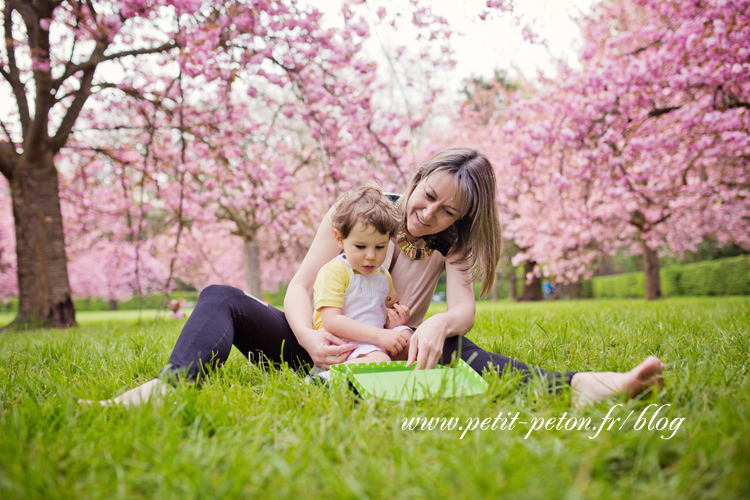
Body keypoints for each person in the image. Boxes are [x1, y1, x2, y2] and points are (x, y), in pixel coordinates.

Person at [85, 147, 664, 407]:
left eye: (447, 212)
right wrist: (310, 339)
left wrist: (437, 324)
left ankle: (583, 385)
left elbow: (462, 308)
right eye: (428, 196)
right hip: (313, 340)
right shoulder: (362, 213)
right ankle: (170, 387)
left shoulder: (451, 242)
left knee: (460, 346)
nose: (428, 215)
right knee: (221, 297)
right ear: (416, 178)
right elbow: (299, 287)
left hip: (380, 349)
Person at [312, 182, 412, 370]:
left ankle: (401, 374)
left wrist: (394, 321)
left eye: (380, 247)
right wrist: (378, 336)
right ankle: (325, 379)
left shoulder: (383, 274)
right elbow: (331, 321)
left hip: (372, 341)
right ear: (340, 239)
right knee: (378, 360)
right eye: (360, 246)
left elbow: (380, 316)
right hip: (343, 344)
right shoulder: (336, 271)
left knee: (409, 339)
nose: (371, 256)